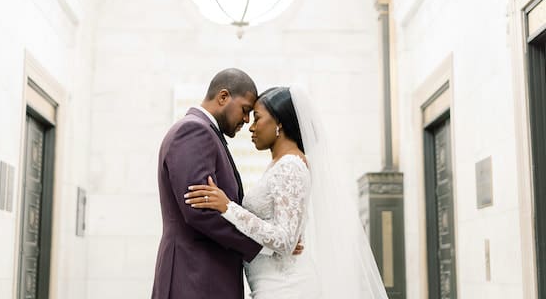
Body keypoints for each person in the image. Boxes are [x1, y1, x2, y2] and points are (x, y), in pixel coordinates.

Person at [184, 86, 389, 299]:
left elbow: (285, 240)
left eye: (257, 118)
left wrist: (228, 207)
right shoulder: (279, 164)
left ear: (279, 124)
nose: (251, 127)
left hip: (287, 288)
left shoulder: (291, 166)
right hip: (272, 286)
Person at [151, 68, 264, 299]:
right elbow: (200, 210)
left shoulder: (206, 132)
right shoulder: (194, 131)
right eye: (245, 110)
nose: (246, 120)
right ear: (223, 97)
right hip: (194, 278)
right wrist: (262, 244)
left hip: (203, 277)